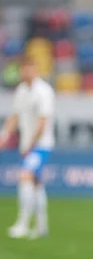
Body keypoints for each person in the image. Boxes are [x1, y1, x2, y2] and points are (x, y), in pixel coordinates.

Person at [0, 57, 54, 239]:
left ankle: (23, 223)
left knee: (25, 176)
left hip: (40, 145)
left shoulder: (44, 91)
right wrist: (4, 135)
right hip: (27, 145)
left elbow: (42, 122)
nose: (26, 72)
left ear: (36, 69)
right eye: (24, 69)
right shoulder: (21, 90)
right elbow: (14, 116)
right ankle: (41, 225)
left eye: (30, 68)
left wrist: (31, 145)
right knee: (36, 184)